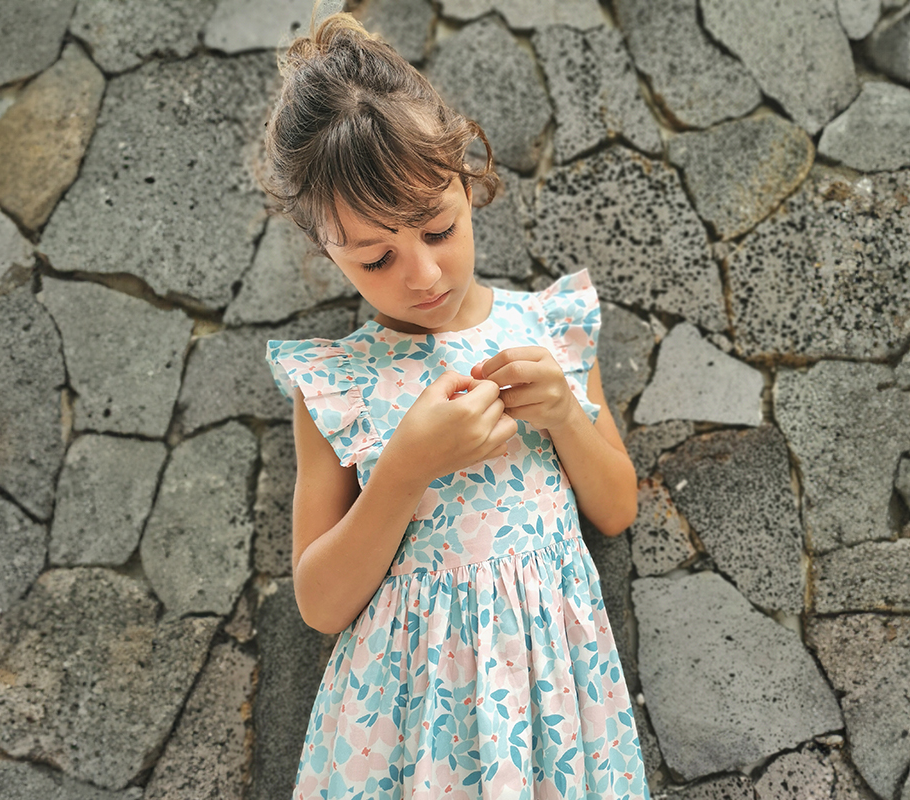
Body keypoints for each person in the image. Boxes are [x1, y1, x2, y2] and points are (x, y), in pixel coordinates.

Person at [261, 9, 647, 798]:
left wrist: (567, 416)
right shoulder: (340, 383)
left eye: (439, 228)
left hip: (553, 701)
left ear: (469, 185)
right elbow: (322, 604)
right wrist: (404, 469)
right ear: (326, 250)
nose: (424, 274)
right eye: (377, 258)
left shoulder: (551, 333)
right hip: (405, 722)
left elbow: (616, 509)